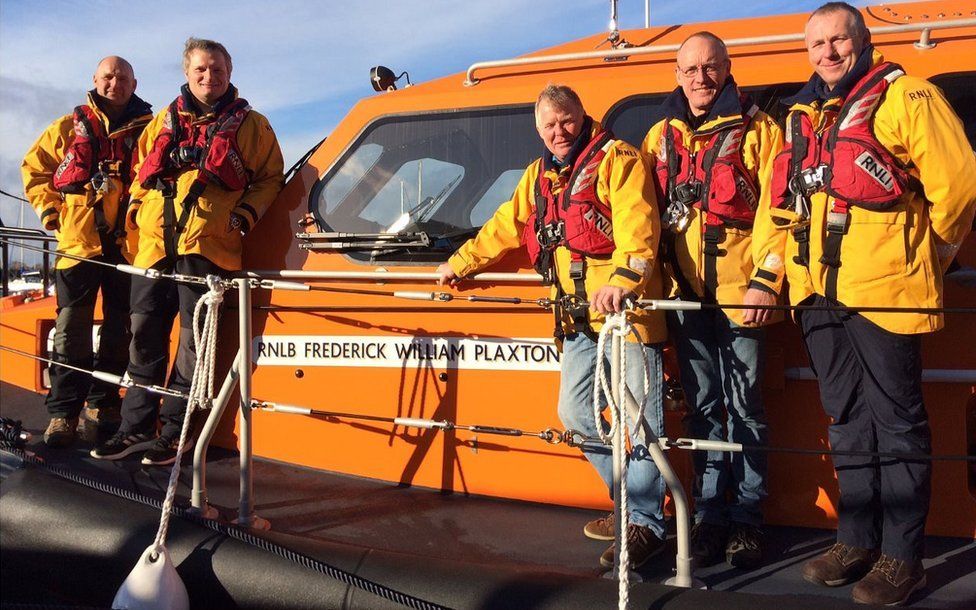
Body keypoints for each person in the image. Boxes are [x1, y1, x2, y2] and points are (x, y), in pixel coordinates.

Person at [755, 3, 976, 605]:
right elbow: (775, 211)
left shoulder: (908, 98)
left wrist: (931, 255)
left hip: (886, 294)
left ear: (864, 41)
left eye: (838, 40)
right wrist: (766, 277)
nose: (827, 52)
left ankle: (903, 559)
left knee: (898, 424)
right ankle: (855, 541)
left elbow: (959, 183)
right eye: (817, 43)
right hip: (817, 295)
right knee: (847, 420)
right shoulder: (801, 119)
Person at [436, 84, 668, 570]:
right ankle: (627, 502)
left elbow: (638, 225)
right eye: (549, 124)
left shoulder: (618, 159)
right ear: (538, 129)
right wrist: (460, 263)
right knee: (575, 414)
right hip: (578, 320)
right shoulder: (537, 176)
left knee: (640, 424)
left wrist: (625, 280)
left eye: (566, 121)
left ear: (582, 116)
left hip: (626, 318)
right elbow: (504, 224)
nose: (559, 132)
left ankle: (647, 524)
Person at [91, 38, 284, 466]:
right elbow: (142, 174)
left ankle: (175, 433)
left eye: (216, 69)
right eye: (200, 69)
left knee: (192, 348)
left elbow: (271, 178)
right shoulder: (163, 120)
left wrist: (245, 215)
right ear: (187, 72)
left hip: (208, 249)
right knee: (144, 339)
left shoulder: (253, 126)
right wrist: (137, 217)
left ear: (229, 73)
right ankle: (135, 426)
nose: (208, 76)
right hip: (155, 249)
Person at [642, 31, 784, 569]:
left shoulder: (760, 130)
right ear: (677, 75)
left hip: (740, 296)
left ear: (727, 69)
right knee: (701, 410)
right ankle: (707, 517)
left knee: (745, 407)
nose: (700, 78)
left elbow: (779, 211)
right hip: (684, 299)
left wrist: (766, 282)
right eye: (690, 69)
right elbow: (638, 213)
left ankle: (746, 519)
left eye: (710, 67)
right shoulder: (659, 137)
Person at [22, 57, 152, 447]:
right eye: (108, 76)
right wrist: (51, 211)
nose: (116, 83)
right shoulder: (66, 128)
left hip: (128, 245)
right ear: (96, 80)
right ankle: (63, 413)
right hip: (78, 243)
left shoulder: (150, 130)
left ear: (134, 83)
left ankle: (103, 405)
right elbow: (34, 168)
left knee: (119, 328)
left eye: (123, 77)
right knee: (70, 331)